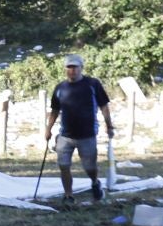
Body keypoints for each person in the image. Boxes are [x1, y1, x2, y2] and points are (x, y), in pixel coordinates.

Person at [45, 54, 114, 205]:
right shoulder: (60, 88)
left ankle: (95, 183)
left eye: (75, 67)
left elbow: (104, 106)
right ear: (65, 69)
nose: (72, 70)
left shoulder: (92, 84)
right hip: (65, 135)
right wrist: (48, 129)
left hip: (87, 134)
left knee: (89, 167)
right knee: (63, 166)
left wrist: (109, 125)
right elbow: (55, 110)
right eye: (69, 67)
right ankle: (68, 196)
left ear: (81, 68)